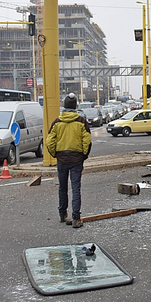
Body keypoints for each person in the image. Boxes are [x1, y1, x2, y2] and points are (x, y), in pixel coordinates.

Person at [46, 93, 92, 228]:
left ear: (64, 106)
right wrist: (83, 154)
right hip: (76, 158)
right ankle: (76, 218)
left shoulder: (57, 122)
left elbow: (50, 141)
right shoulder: (82, 121)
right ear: (76, 106)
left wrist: (55, 154)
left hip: (61, 159)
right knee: (75, 188)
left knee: (62, 187)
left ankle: (62, 213)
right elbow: (87, 140)